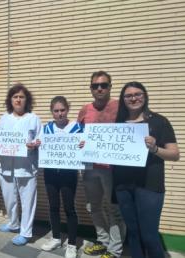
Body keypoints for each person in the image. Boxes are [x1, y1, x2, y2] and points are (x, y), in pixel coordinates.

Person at [113, 82, 179, 258]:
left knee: (149, 236)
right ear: (123, 99)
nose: (133, 98)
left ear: (145, 95)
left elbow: (174, 154)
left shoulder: (159, 121)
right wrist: (88, 146)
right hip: (123, 186)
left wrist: (155, 149)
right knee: (133, 234)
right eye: (128, 95)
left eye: (138, 94)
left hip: (150, 186)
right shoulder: (118, 123)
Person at [77, 71, 125, 258]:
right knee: (93, 206)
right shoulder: (85, 109)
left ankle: (115, 250)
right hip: (89, 167)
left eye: (104, 85)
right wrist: (79, 142)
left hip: (113, 169)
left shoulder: (120, 107)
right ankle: (103, 242)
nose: (99, 88)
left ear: (110, 87)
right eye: (95, 85)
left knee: (114, 209)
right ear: (91, 88)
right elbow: (78, 134)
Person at [0, 83, 41, 246]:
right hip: (6, 167)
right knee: (10, 199)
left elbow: (40, 140)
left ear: (26, 100)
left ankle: (26, 232)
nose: (18, 100)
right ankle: (13, 224)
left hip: (26, 167)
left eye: (21, 96)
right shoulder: (4, 117)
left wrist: (35, 144)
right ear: (10, 100)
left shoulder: (34, 118)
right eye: (15, 97)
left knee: (28, 201)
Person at [40, 96, 83, 258]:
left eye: (62, 110)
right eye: (56, 111)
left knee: (69, 208)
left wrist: (83, 144)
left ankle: (72, 244)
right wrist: (37, 144)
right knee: (53, 206)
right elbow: (39, 146)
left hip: (68, 174)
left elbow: (85, 148)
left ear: (68, 109)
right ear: (52, 112)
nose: (59, 114)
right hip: (50, 172)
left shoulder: (77, 128)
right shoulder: (46, 129)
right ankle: (56, 237)